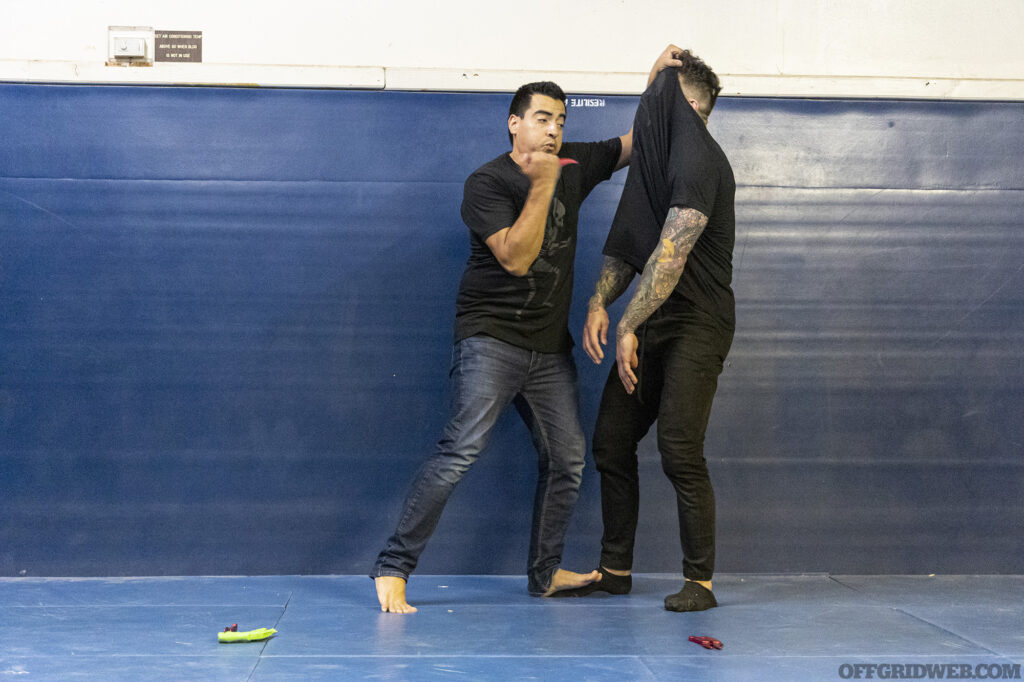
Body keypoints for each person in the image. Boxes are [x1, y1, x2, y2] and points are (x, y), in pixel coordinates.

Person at [371, 47, 685, 613]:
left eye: (562, 121)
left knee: (567, 460)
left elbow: (640, 139)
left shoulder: (577, 164)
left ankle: (543, 574)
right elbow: (515, 259)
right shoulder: (486, 183)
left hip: (548, 350)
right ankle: (394, 566)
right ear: (514, 123)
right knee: (460, 450)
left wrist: (656, 77)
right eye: (542, 118)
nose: (554, 130)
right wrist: (542, 184)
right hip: (490, 341)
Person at [565, 48, 735, 612]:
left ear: (687, 108)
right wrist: (598, 301)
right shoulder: (658, 161)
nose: (649, 110)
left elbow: (668, 256)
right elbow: (634, 237)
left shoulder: (701, 163)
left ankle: (700, 583)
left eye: (659, 99)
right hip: (651, 318)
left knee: (679, 449)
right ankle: (615, 569)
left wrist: (627, 325)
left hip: (698, 323)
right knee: (612, 442)